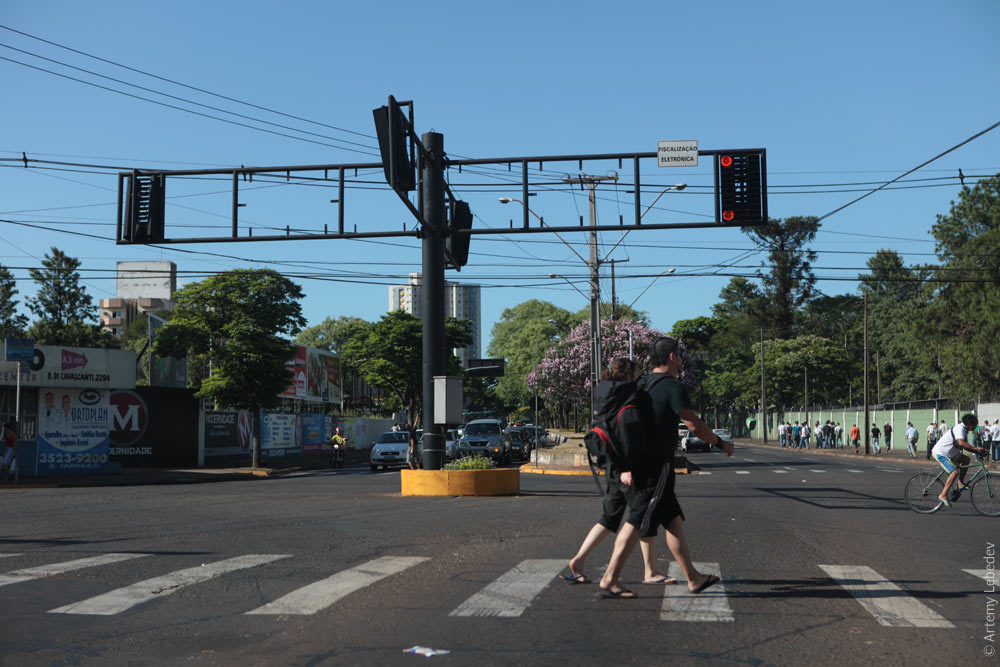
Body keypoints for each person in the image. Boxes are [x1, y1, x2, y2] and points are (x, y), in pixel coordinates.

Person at [598, 337, 733, 600]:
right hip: (654, 466)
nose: (682, 360)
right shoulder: (672, 386)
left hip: (641, 462)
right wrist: (720, 443)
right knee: (636, 519)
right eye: (680, 356)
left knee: (673, 521)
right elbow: (693, 424)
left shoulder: (641, 383)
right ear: (672, 357)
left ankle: (693, 578)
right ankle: (610, 578)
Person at [565, 358, 676, 587]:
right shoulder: (628, 396)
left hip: (612, 465)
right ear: (629, 374)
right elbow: (628, 432)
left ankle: (579, 559)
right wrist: (628, 467)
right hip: (627, 468)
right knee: (642, 517)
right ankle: (650, 571)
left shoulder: (605, 394)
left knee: (609, 518)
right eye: (636, 374)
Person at [931, 414, 986, 507]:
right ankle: (943, 494)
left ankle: (960, 483)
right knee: (954, 472)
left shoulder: (964, 430)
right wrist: (976, 449)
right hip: (941, 453)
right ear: (969, 424)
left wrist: (977, 451)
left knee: (966, 459)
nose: (976, 427)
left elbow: (965, 446)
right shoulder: (960, 429)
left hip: (952, 454)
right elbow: (961, 442)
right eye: (975, 424)